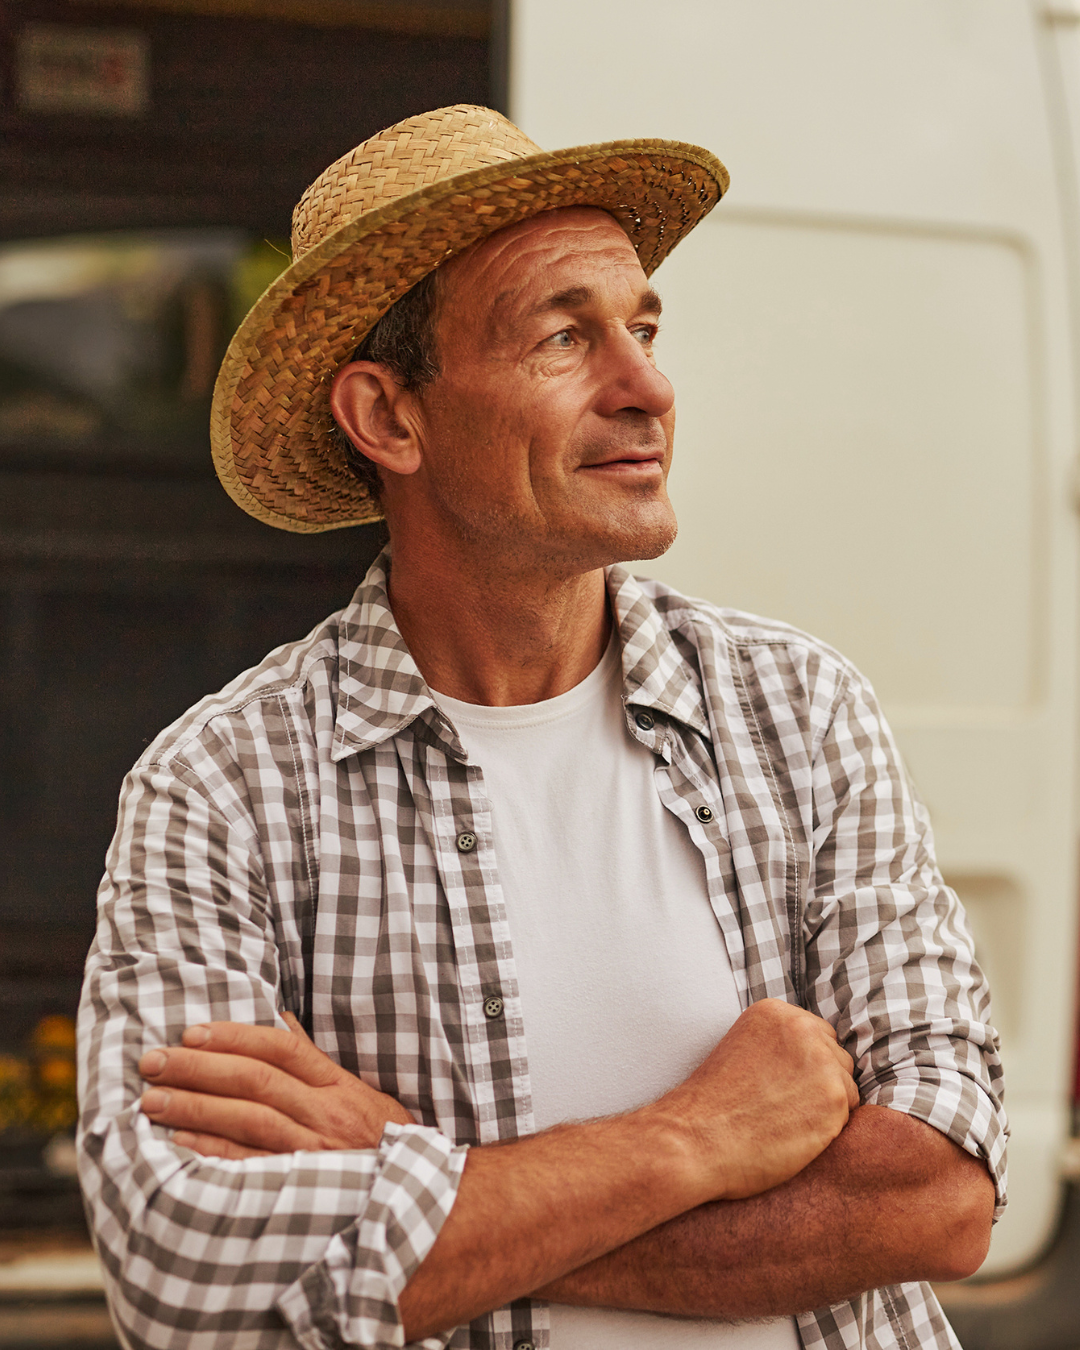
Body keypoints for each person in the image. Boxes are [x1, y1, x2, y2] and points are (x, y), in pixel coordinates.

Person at [77, 105, 1005, 1350]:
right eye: (565, 336)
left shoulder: (800, 711)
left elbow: (940, 1195)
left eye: (644, 328)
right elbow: (189, 1277)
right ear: (390, 418)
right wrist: (702, 1138)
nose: (647, 387)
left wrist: (416, 1169)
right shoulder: (225, 786)